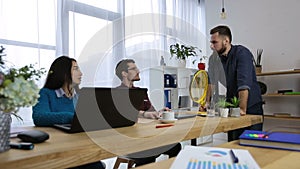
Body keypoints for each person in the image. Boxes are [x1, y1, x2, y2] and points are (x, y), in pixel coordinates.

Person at [32, 56, 105, 169]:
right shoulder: (45, 93)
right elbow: (39, 117)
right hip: (57, 150)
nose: (81, 73)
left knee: (97, 165)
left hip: (81, 146)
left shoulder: (80, 96)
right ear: (64, 72)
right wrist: (72, 117)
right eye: (76, 69)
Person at [114, 59, 181, 166]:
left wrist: (159, 112)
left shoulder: (141, 92)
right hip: (129, 141)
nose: (138, 70)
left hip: (147, 136)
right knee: (146, 154)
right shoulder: (116, 93)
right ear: (124, 73)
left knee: (175, 146)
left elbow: (151, 111)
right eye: (134, 69)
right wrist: (144, 114)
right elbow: (126, 113)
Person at [209, 25, 264, 141]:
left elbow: (243, 84)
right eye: (211, 42)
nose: (212, 46)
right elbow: (211, 83)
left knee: (251, 145)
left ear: (226, 41)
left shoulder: (242, 53)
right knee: (233, 144)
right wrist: (206, 104)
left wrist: (242, 109)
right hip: (232, 105)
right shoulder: (214, 59)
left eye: (215, 42)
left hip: (250, 106)